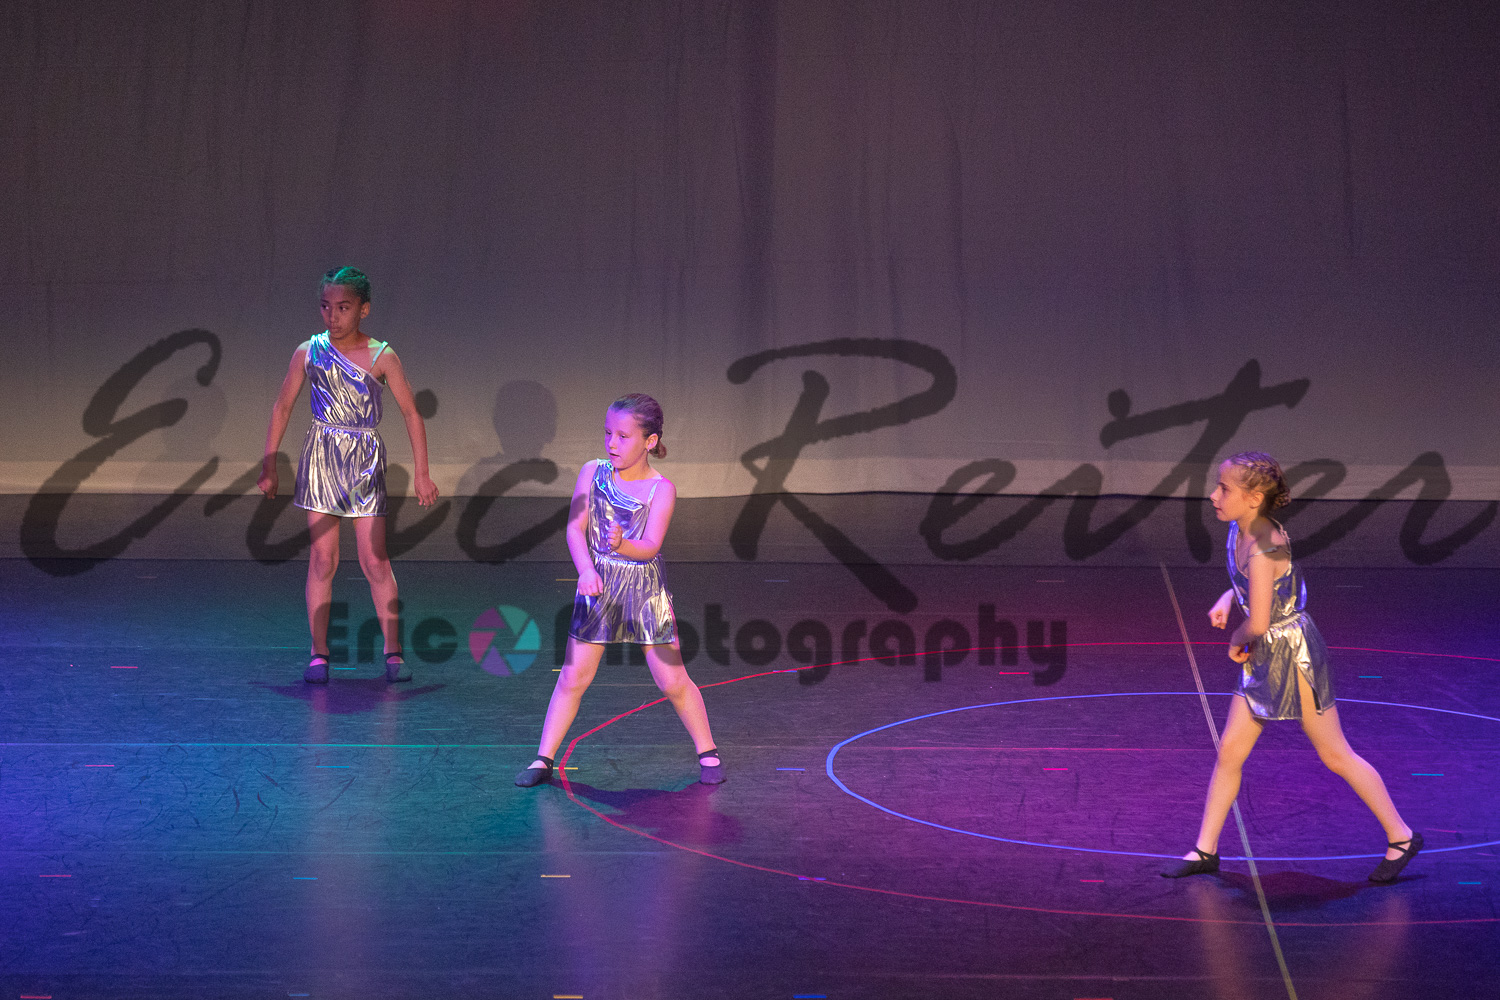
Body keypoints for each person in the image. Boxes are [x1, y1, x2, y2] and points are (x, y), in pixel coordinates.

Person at [1163, 452, 1419, 882]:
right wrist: (1229, 597)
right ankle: (1205, 849)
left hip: (1293, 654)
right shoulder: (1239, 528)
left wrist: (1236, 638)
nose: (1213, 495)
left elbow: (1259, 622)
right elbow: (1256, 590)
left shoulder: (1265, 543)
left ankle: (1402, 836)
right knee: (1230, 752)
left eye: (1223, 488)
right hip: (1266, 652)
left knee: (1335, 754)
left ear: (1253, 498)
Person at [515, 394, 723, 787]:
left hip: (643, 590)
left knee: (672, 680)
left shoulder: (661, 489)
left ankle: (708, 752)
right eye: (608, 433)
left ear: (649, 441)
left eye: (623, 436)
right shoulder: (592, 473)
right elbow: (575, 528)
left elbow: (651, 546)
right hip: (598, 585)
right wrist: (586, 570)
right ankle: (543, 758)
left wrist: (622, 545)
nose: (612, 443)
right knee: (573, 677)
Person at [257, 267, 439, 683]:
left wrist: (422, 473)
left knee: (374, 558)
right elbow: (282, 407)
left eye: (343, 307)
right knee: (323, 558)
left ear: (363, 309)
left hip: (363, 460)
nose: (332, 316)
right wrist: (269, 463)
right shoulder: (309, 351)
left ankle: (393, 652)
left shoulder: (382, 356)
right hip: (322, 457)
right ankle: (318, 653)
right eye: (326, 306)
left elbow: (411, 413)